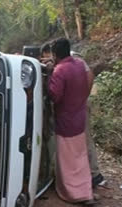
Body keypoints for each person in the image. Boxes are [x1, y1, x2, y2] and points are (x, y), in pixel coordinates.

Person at [41, 42, 104, 188]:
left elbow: (89, 76)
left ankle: (94, 175)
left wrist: (81, 98)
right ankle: (83, 175)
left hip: (77, 105)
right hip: (77, 104)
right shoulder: (71, 61)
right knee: (77, 142)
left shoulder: (72, 61)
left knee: (83, 140)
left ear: (52, 53)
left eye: (47, 56)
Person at [48, 38, 94, 204]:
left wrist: (48, 78)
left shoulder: (60, 70)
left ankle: (74, 194)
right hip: (79, 117)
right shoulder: (79, 65)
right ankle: (86, 190)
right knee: (80, 158)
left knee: (67, 161)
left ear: (54, 54)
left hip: (65, 121)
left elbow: (55, 96)